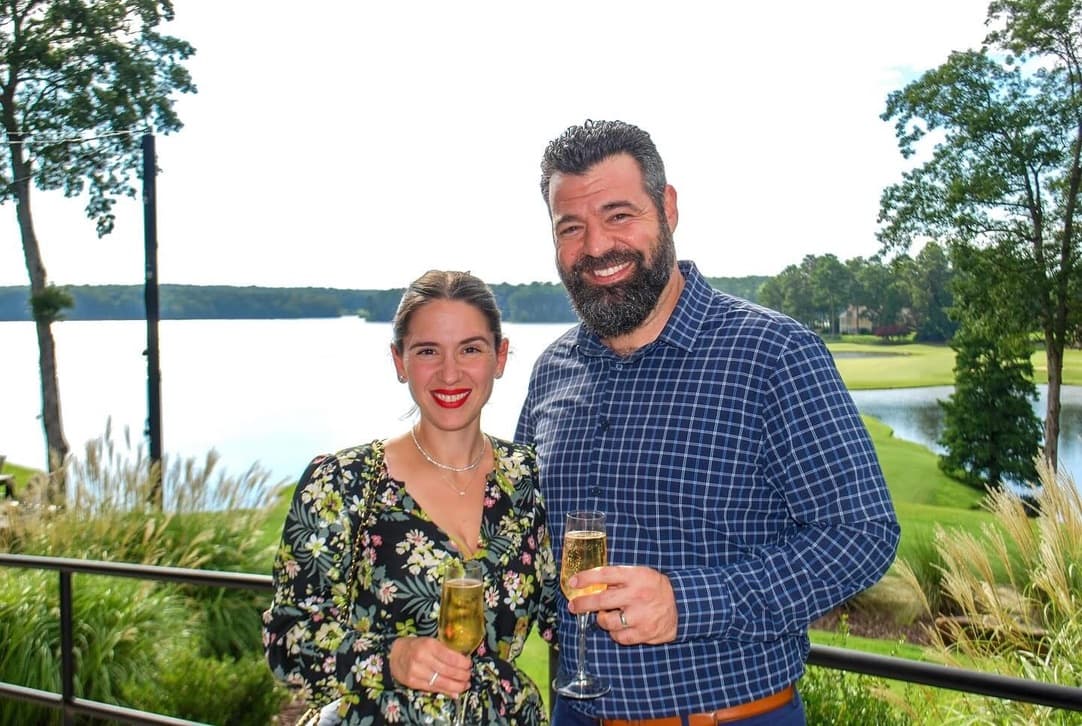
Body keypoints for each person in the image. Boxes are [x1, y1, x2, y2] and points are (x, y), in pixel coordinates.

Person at [516, 120, 901, 725]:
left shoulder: (773, 354)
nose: (596, 247)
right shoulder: (552, 369)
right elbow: (525, 545)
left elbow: (862, 535)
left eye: (619, 216)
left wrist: (688, 601)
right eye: (572, 227)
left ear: (667, 208)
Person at [264, 270, 558, 724]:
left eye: (471, 349)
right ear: (399, 361)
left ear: (500, 357)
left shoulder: (529, 478)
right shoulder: (342, 482)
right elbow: (286, 642)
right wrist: (390, 656)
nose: (450, 372)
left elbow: (561, 612)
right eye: (427, 352)